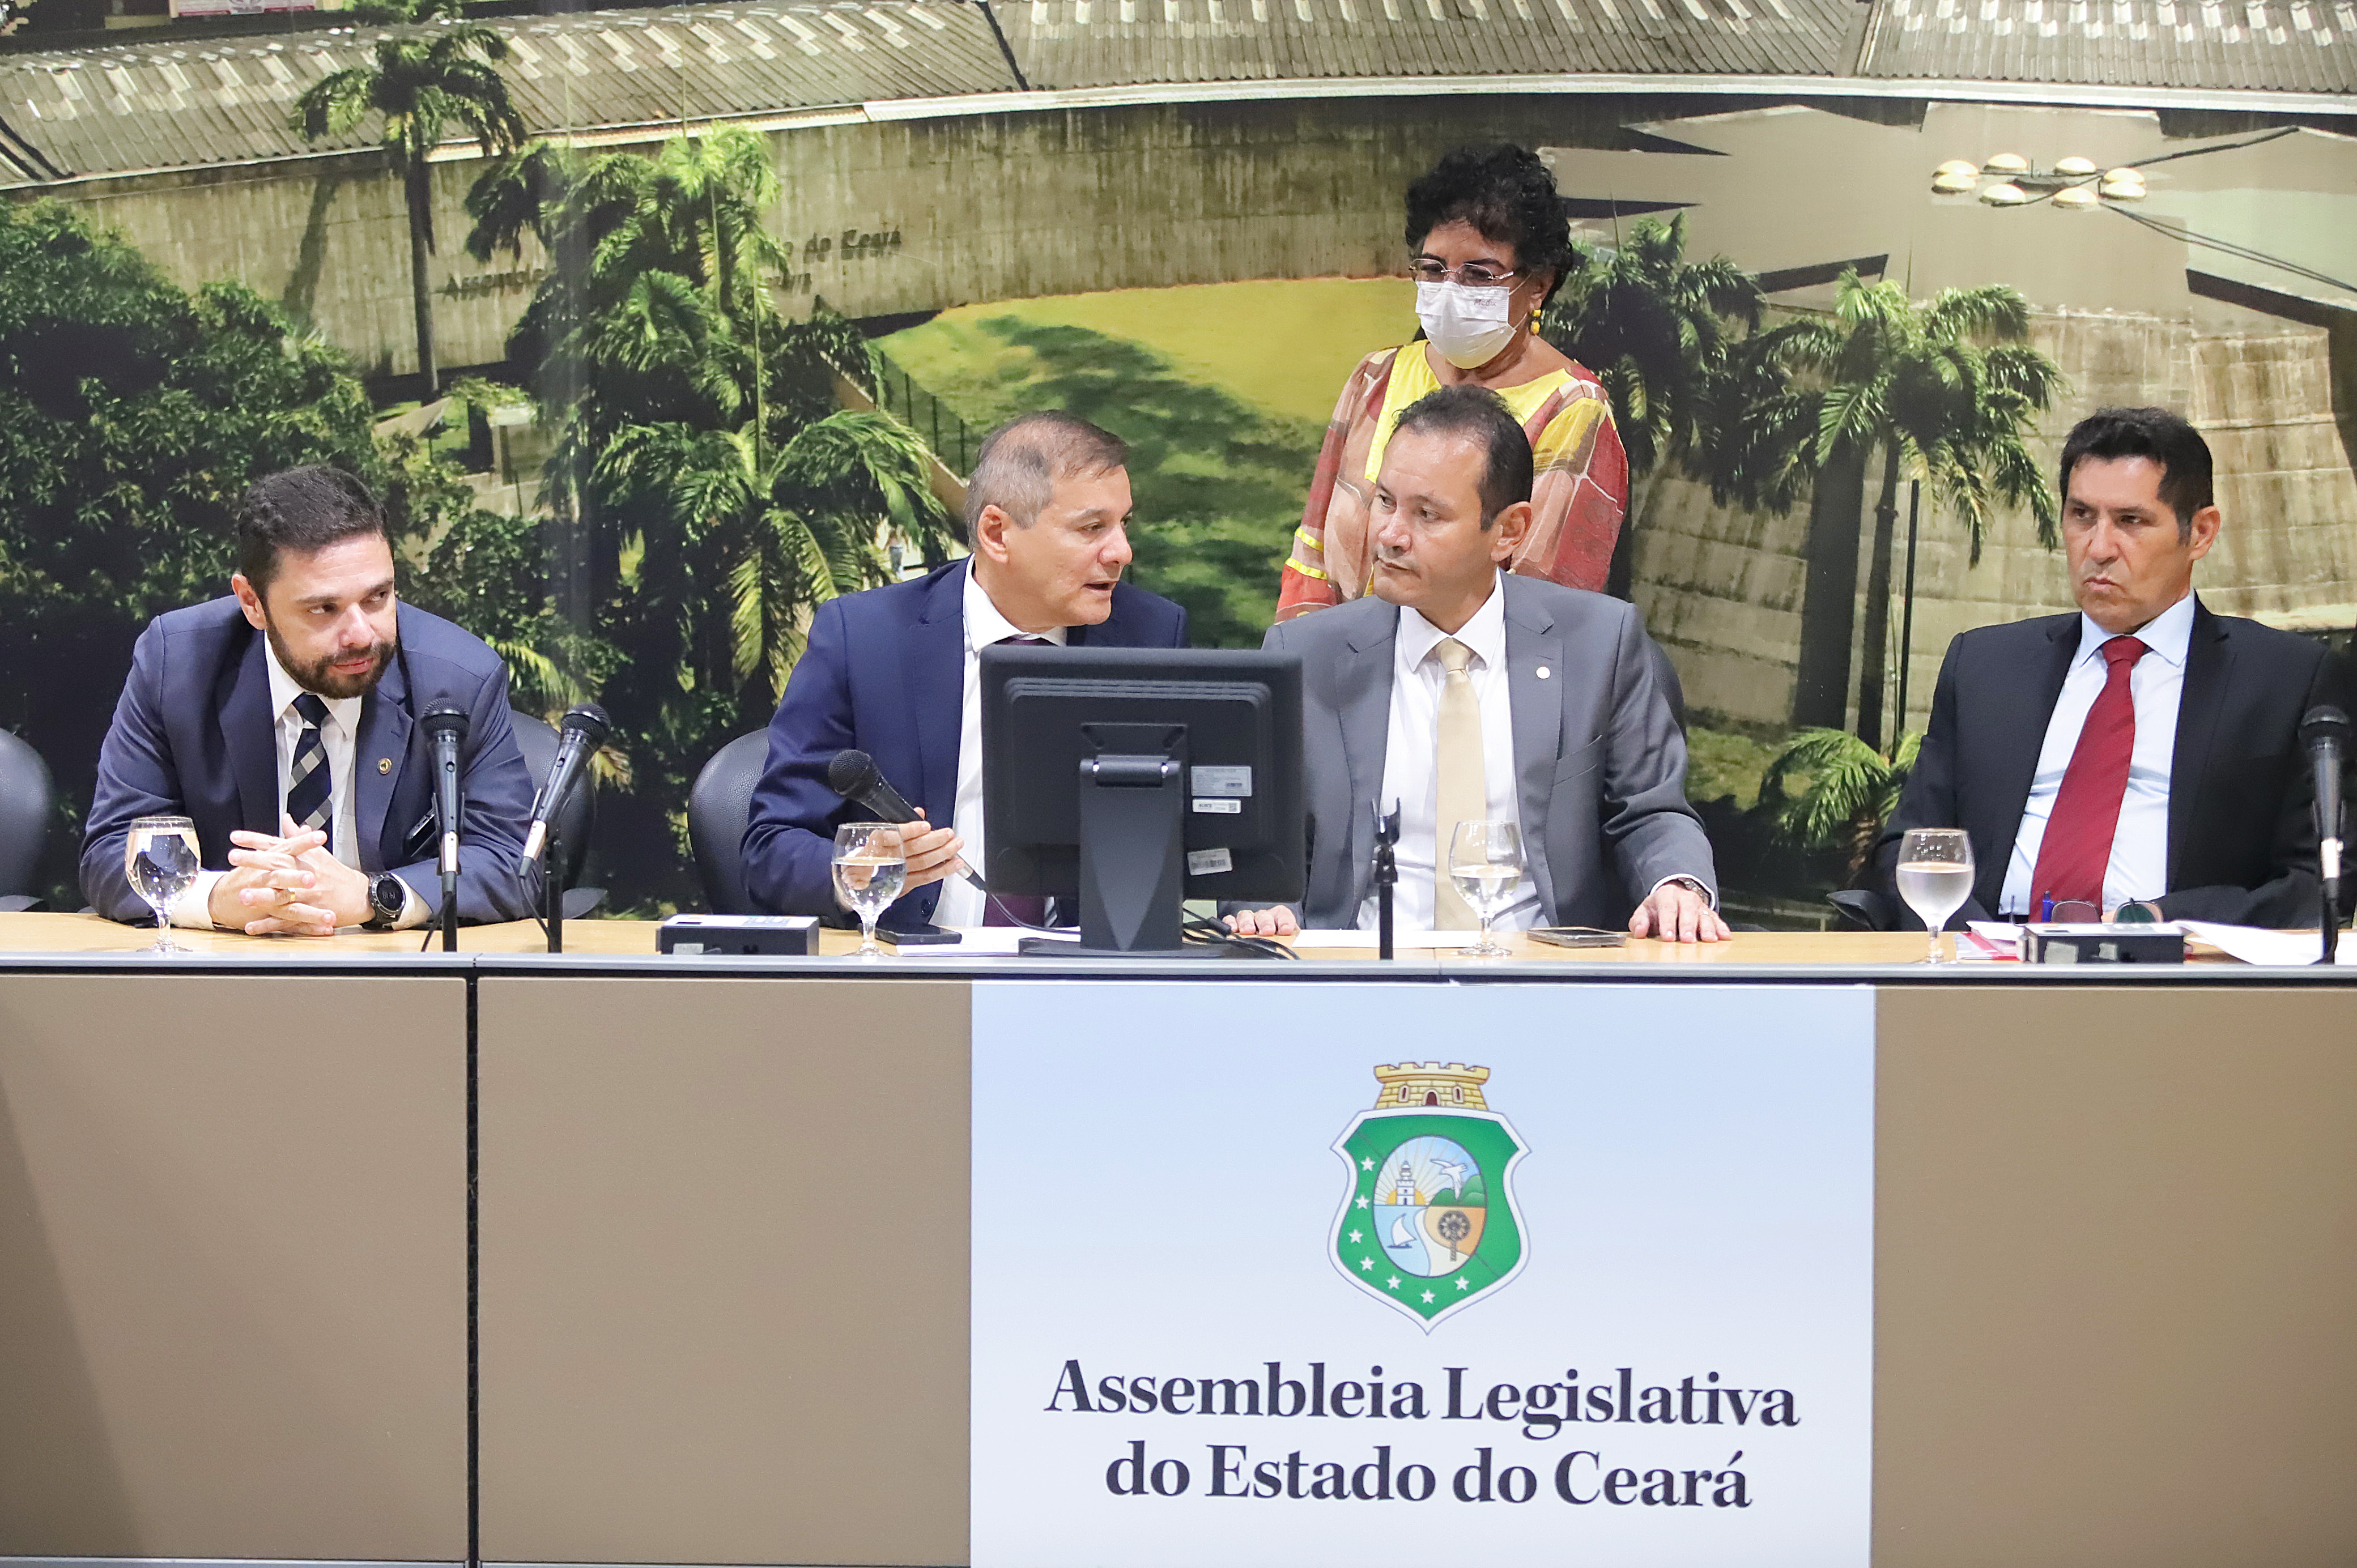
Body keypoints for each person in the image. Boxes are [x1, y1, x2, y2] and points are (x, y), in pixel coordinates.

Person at [1231, 385, 1724, 942]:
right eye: (1385, 501)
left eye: (1427, 514)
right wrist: (1261, 905)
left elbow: (1650, 811)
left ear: (1508, 530)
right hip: (1361, 965)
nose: (1389, 534)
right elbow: (1258, 844)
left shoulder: (1597, 644)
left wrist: (1675, 884)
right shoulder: (1305, 655)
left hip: (1540, 970)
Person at [1875, 406, 2349, 928]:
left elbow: (2318, 880)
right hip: (1988, 951)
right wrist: (1975, 941)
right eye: (2082, 516)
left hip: (2172, 959)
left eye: (2130, 521)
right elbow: (1909, 846)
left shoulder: (2286, 680)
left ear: (2200, 533)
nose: (2098, 548)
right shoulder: (1985, 667)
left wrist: (2158, 921)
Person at [742, 412, 1190, 928]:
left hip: (1077, 962)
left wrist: (1242, 904)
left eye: (1123, 524)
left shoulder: (1149, 635)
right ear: (997, 533)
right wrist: (859, 868)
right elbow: (771, 849)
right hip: (909, 961)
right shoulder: (865, 639)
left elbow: (1200, 830)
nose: (1122, 553)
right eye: (1093, 528)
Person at [82, 465, 534, 934]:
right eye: (324, 608)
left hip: (390, 962)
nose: (361, 634)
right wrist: (217, 899)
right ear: (253, 603)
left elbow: (512, 859)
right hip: (230, 960)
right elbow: (113, 850)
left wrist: (377, 896)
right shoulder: (177, 666)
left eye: (378, 597)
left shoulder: (457, 679)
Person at [1277, 143, 1628, 623]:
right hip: (1341, 658)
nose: (1450, 290)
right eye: (1433, 269)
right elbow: (1312, 557)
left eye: (1479, 275)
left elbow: (1545, 608)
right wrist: (1310, 657)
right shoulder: (1377, 376)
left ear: (1538, 285)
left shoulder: (1572, 410)